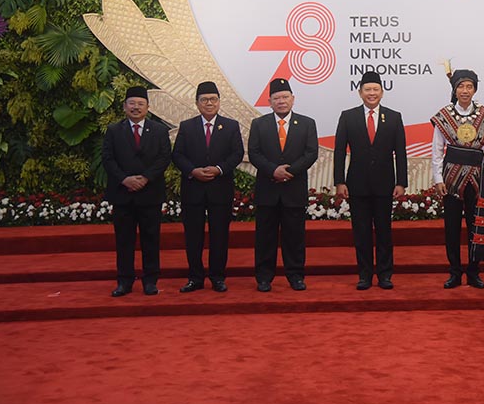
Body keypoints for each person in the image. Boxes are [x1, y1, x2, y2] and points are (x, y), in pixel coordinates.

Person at [334, 71, 408, 290]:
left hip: (385, 184)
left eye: (376, 89)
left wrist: (401, 182)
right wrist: (340, 181)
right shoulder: (348, 116)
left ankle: (385, 275)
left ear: (382, 92)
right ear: (360, 92)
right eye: (368, 89)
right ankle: (364, 275)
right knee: (362, 232)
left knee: (384, 231)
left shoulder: (394, 117)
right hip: (357, 184)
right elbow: (339, 151)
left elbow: (400, 153)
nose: (372, 93)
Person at [171, 81, 244, 293]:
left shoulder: (231, 126)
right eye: (204, 100)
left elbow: (237, 154)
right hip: (193, 189)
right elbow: (177, 155)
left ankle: (218, 277)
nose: (209, 103)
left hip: (220, 188)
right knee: (193, 235)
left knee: (219, 235)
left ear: (219, 102)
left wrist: (219, 169)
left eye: (213, 99)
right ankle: (195, 277)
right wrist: (193, 171)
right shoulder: (187, 126)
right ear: (197, 103)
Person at [248, 78, 319, 292]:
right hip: (267, 189)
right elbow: (254, 153)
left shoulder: (307, 123)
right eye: (276, 98)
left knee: (294, 236)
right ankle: (263, 278)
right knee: (265, 237)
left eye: (285, 97)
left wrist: (289, 171)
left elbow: (311, 153)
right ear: (269, 102)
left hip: (293, 189)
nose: (281, 102)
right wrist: (273, 170)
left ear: (293, 99)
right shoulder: (259, 124)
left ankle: (295, 276)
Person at [431, 69, 484, 289]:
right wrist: (438, 178)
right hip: (451, 177)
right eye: (461, 86)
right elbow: (437, 150)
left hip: (477, 178)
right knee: (451, 228)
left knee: (475, 225)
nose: (465, 91)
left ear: (475, 89)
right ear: (454, 89)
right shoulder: (444, 116)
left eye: (469, 86)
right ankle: (454, 272)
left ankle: (473, 271)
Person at [102, 86, 171, 297]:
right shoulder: (114, 130)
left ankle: (150, 281)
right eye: (132, 103)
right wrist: (125, 179)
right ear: (124, 107)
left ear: (148, 107)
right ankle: (124, 281)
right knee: (124, 240)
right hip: (123, 194)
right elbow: (108, 158)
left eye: (141, 104)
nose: (136, 107)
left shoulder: (159, 130)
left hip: (150, 193)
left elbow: (164, 157)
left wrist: (145, 178)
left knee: (151, 239)